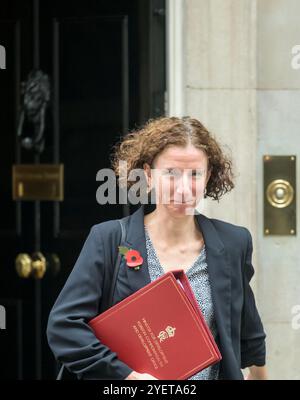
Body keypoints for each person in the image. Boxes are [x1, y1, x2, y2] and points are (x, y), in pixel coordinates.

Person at [47, 116, 267, 380]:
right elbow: (64, 327)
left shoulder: (233, 243)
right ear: (148, 175)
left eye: (195, 174)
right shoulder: (110, 240)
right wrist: (128, 376)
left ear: (208, 176)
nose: (184, 188)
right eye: (171, 174)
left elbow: (250, 337)